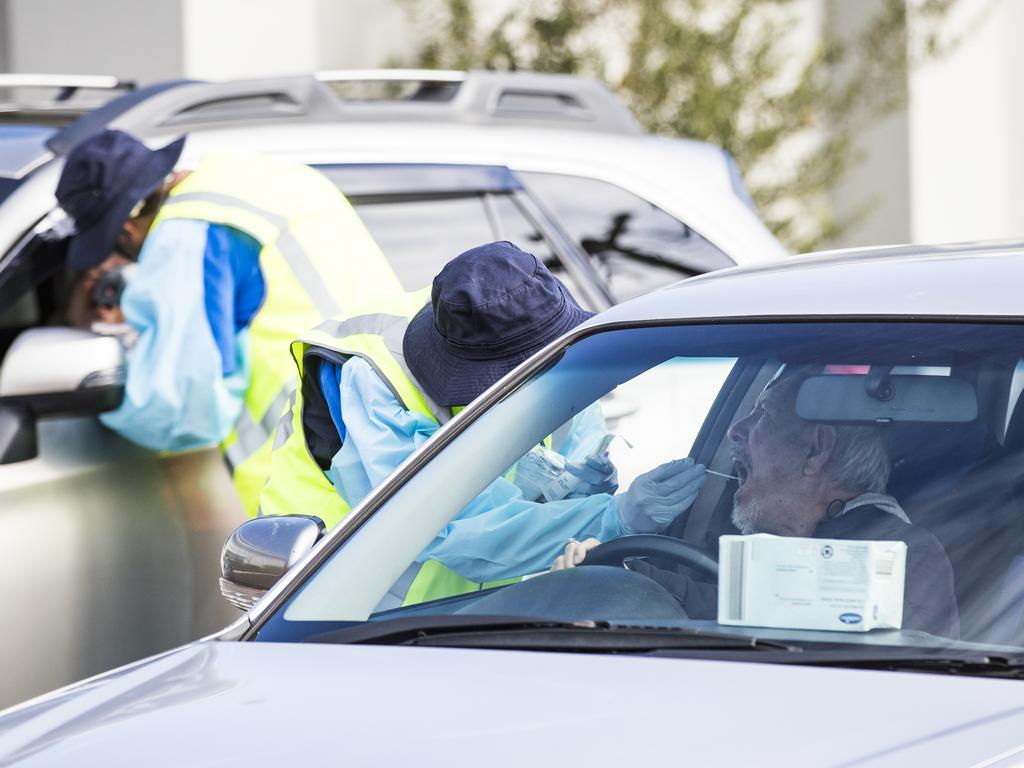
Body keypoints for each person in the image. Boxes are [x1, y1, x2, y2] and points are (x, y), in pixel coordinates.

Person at [259, 240, 707, 606]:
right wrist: (614, 518)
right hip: (337, 618)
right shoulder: (369, 375)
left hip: (481, 622)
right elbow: (449, 527)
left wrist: (582, 489)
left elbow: (571, 468)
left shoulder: (551, 344)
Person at [55, 129, 402, 514]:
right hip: (400, 438)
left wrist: (100, 377)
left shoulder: (186, 232)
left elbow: (182, 411)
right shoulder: (265, 177)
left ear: (126, 228)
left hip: (320, 477)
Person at [553, 365, 961, 638]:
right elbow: (721, 598)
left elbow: (771, 612)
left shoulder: (900, 555)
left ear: (816, 450)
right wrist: (614, 570)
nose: (735, 431)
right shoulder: (749, 537)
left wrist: (629, 580)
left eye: (762, 415)